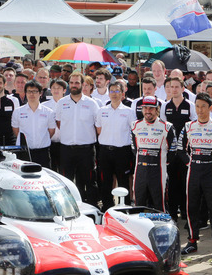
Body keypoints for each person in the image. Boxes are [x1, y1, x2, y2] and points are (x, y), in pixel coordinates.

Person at [180, 93, 212, 258]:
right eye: (197, 106)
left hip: (211, 171)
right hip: (193, 171)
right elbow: (179, 149)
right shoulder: (188, 126)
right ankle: (192, 241)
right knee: (191, 207)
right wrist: (189, 163)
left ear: (210, 108)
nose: (200, 110)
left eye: (203, 106)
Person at [55, 72, 100, 205]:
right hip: (66, 149)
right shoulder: (61, 103)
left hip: (86, 150)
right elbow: (59, 123)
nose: (74, 85)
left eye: (77, 83)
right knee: (66, 181)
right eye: (72, 83)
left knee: (90, 181)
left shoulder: (92, 104)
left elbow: (97, 125)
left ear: (83, 84)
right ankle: (66, 207)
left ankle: (92, 207)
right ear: (69, 84)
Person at [95, 81, 135, 210]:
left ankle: (125, 208)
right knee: (106, 182)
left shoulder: (129, 112)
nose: (114, 94)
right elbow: (99, 129)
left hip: (122, 152)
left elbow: (133, 130)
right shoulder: (102, 111)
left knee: (123, 181)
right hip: (105, 151)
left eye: (117, 91)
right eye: (111, 91)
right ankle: (107, 207)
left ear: (123, 94)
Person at [130, 96, 175, 211]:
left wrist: (164, 163)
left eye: (151, 108)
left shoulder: (167, 127)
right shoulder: (135, 125)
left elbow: (173, 150)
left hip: (158, 171)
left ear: (157, 109)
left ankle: (163, 226)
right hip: (140, 170)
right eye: (145, 108)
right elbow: (134, 148)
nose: (148, 111)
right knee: (139, 202)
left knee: (160, 203)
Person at [161, 77, 197, 220]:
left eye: (177, 87)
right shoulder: (165, 106)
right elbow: (163, 127)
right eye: (171, 87)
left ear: (183, 88)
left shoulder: (190, 105)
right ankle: (172, 211)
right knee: (172, 182)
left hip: (185, 150)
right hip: (170, 150)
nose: (174, 89)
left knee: (185, 181)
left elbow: (194, 126)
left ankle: (185, 210)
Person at [11, 81, 56, 168]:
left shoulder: (48, 112)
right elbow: (16, 130)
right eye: (29, 91)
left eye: (35, 91)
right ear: (26, 93)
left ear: (40, 93)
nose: (32, 94)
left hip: (43, 152)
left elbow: (51, 131)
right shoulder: (18, 111)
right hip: (24, 152)